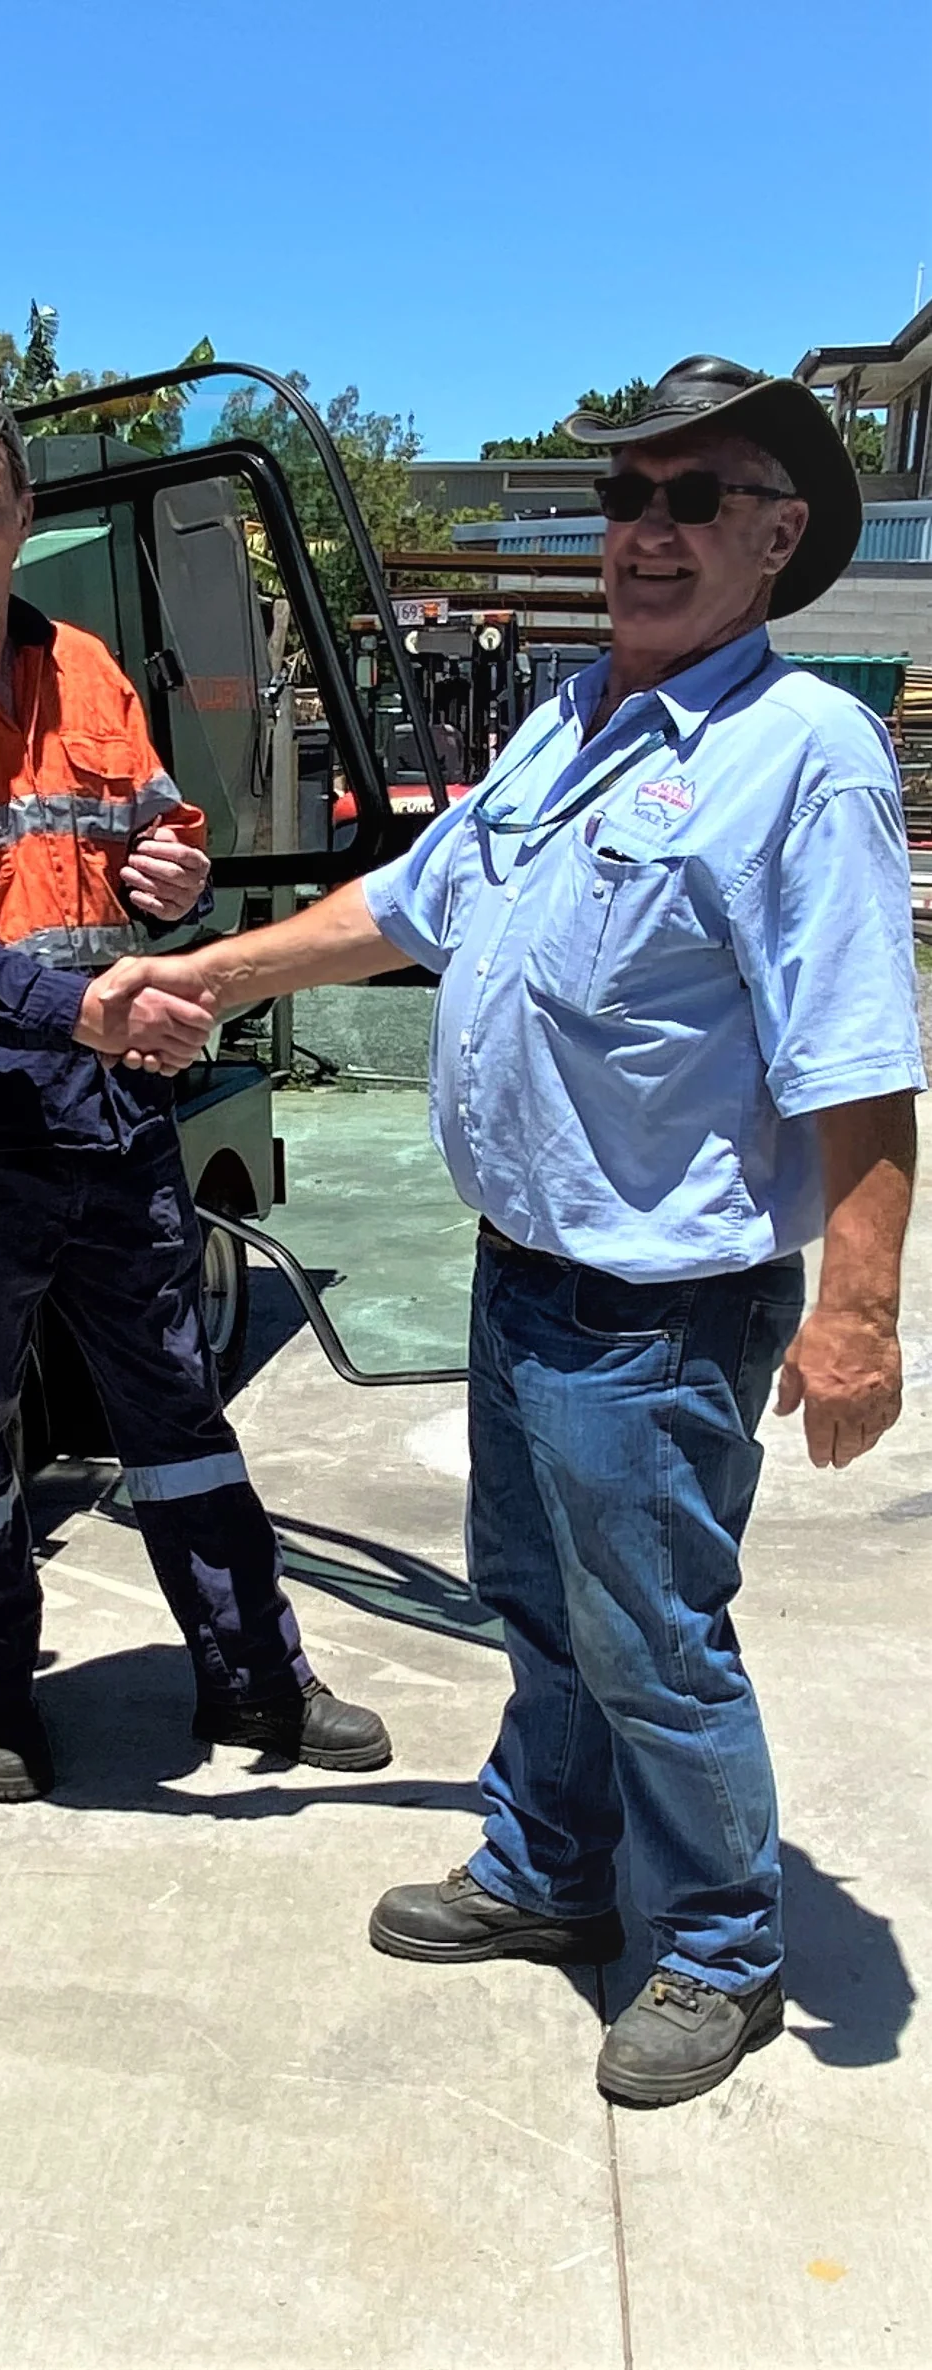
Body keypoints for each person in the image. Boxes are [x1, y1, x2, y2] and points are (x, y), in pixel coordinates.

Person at [94, 356, 923, 2105]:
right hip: (523, 1277)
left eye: (695, 501)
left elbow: (860, 1070)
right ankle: (548, 1866)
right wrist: (205, 974)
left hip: (663, 1308)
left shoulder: (804, 759)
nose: (648, 531)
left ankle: (716, 1944)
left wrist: (859, 1313)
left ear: (776, 538)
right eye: (628, 498)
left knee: (654, 1637)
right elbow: (406, 907)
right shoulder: (568, 719)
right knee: (531, 1602)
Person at [0, 381, 389, 1803]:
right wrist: (79, 1004)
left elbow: (156, 826)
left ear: (21, 517)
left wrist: (170, 866)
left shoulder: (89, 671)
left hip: (109, 1113)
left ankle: (255, 1677)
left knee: (176, 1408)